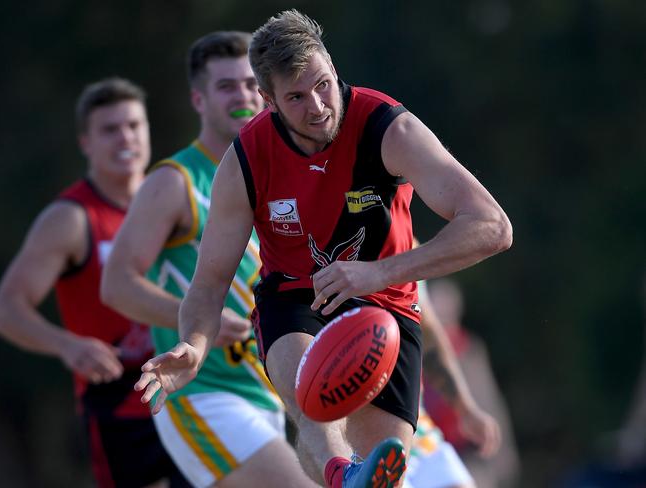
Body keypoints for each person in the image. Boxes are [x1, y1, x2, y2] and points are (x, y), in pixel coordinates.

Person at [135, 9, 512, 488]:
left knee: (386, 468)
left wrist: (378, 274)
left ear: (334, 70)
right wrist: (193, 345)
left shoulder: (387, 130)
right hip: (295, 297)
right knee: (308, 396)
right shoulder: (247, 160)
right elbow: (209, 284)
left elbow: (492, 226)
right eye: (295, 96)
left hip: (387, 305)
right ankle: (340, 477)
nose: (317, 106)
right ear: (267, 100)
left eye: (323, 85)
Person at [101, 32, 318, 488]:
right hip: (202, 397)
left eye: (248, 84)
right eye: (225, 86)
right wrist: (204, 322)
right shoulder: (174, 181)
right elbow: (116, 285)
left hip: (265, 396)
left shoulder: (284, 173)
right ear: (199, 99)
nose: (240, 96)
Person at [0, 78, 186, 487]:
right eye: (110, 129)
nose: (126, 138)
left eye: (134, 126)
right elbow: (6, 306)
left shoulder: (174, 202)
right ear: (86, 142)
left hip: (189, 394)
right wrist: (67, 344)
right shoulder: (70, 218)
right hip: (119, 406)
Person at [419, 278, 521, 488]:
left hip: (469, 449)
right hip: (429, 442)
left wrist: (504, 454)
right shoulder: (416, 347)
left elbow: (489, 399)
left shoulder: (469, 349)